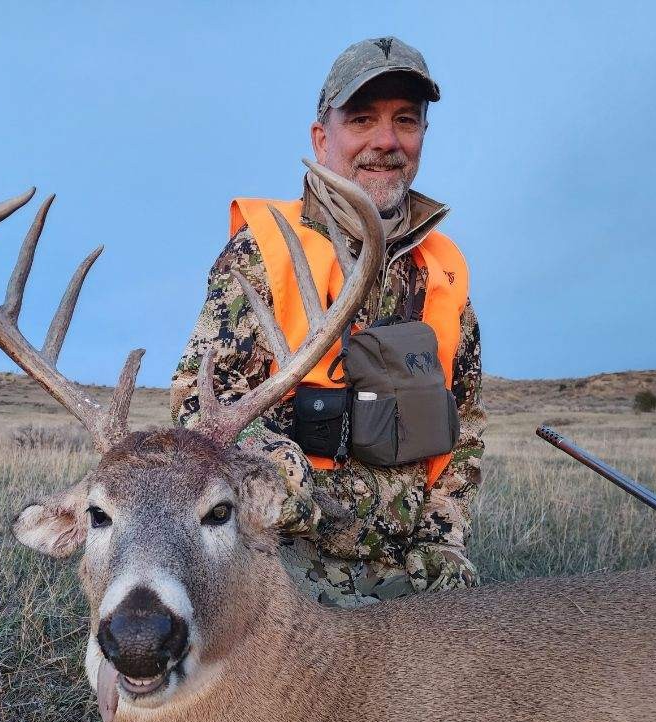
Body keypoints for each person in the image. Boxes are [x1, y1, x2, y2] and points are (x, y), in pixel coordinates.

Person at [170, 36, 485, 607]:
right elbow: (201, 407)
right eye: (362, 119)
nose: (386, 142)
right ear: (322, 139)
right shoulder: (264, 253)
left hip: (413, 564)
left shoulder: (441, 269)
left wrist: (444, 539)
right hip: (290, 565)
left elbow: (463, 423)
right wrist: (295, 491)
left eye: (406, 121)